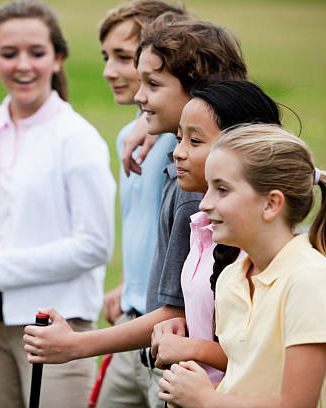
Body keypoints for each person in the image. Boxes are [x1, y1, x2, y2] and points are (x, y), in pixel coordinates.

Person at [23, 14, 247, 408]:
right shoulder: (171, 156)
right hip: (160, 343)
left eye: (152, 84)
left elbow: (174, 310)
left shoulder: (196, 186)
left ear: (198, 92)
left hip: (187, 367)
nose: (140, 94)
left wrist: (75, 345)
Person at [0, 1, 115, 407]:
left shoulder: (78, 139)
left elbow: (94, 244)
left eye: (36, 52)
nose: (23, 65)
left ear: (58, 58)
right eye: (9, 53)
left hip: (55, 326)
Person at [159, 124, 326, 407]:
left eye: (222, 190)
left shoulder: (310, 281)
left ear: (271, 204)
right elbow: (244, 385)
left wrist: (205, 399)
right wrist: (186, 391)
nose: (204, 203)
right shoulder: (232, 278)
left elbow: (297, 404)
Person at [149, 81, 282, 386]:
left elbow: (262, 356)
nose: (178, 153)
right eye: (178, 138)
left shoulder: (259, 249)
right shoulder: (203, 228)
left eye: (195, 141)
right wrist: (179, 327)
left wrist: (191, 348)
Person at [96, 2, 188, 407]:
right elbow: (145, 228)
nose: (109, 71)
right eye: (106, 57)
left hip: (172, 334)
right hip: (129, 324)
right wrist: (127, 283)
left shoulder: (186, 142)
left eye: (123, 57)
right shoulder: (127, 138)